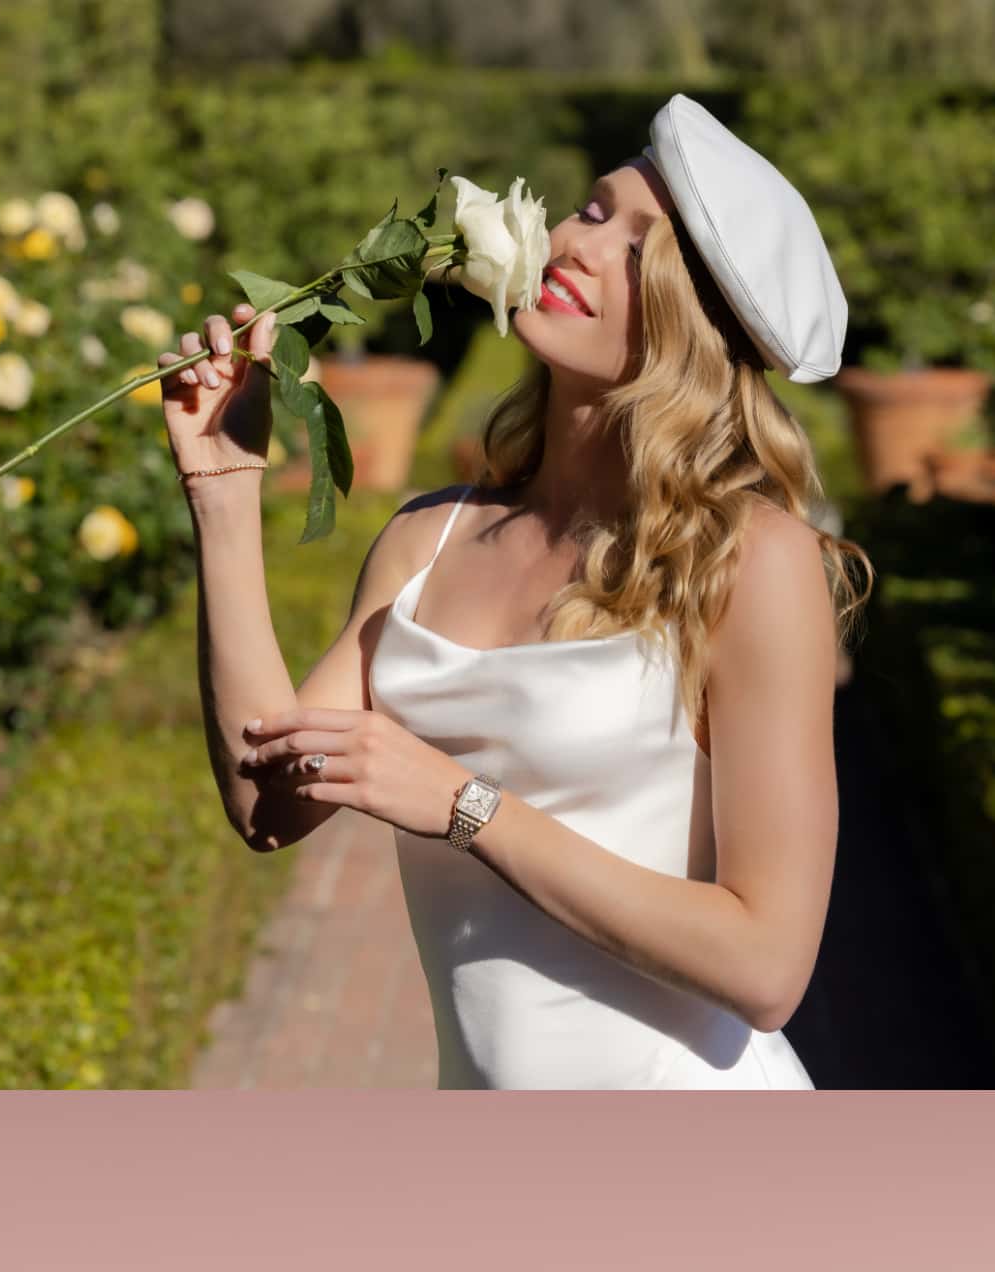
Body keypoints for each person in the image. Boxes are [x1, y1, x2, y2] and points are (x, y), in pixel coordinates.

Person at [158, 94, 874, 1088]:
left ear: (699, 326)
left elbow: (766, 965)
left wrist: (462, 803)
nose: (579, 244)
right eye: (590, 209)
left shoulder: (749, 561)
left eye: (638, 245)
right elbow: (265, 804)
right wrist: (224, 495)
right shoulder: (427, 535)